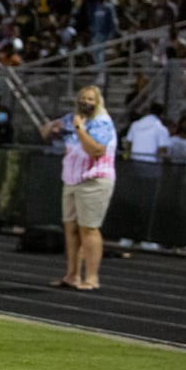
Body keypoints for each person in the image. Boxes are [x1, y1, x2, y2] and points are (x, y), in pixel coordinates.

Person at [42, 84, 117, 291]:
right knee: (71, 228)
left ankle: (92, 277)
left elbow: (95, 150)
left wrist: (79, 129)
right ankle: (72, 275)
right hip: (72, 179)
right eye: (83, 98)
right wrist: (49, 128)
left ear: (98, 102)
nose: (86, 102)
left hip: (94, 179)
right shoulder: (70, 118)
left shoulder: (102, 122)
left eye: (91, 99)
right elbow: (47, 133)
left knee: (89, 228)